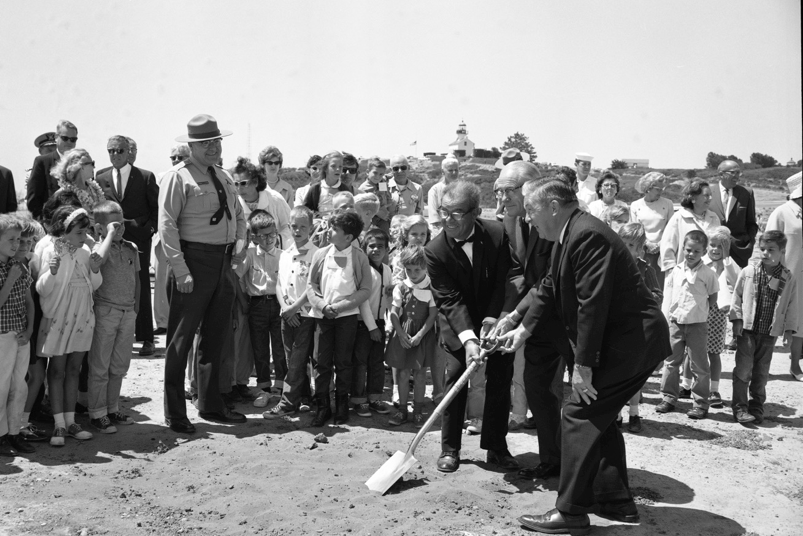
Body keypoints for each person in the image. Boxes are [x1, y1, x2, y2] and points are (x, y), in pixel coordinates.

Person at [497, 179, 670, 533]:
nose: (528, 218)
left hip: (632, 344)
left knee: (578, 413)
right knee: (597, 416)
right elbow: (548, 286)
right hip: (625, 343)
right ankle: (616, 501)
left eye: (531, 210)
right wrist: (520, 326)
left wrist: (583, 367)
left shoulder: (586, 234)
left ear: (554, 207)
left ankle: (571, 511)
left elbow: (593, 304)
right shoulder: (568, 233)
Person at [159, 114, 247, 433]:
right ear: (191, 146)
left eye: (217, 141)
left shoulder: (223, 176)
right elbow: (167, 226)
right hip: (193, 262)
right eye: (206, 143)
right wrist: (180, 270)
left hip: (222, 262)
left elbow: (238, 215)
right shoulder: (177, 177)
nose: (213, 147)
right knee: (180, 341)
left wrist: (237, 257)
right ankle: (175, 413)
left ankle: (210, 404)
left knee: (215, 338)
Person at [424, 181, 516, 473]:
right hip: (457, 325)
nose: (448, 220)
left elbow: (506, 280)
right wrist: (468, 340)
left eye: (456, 213)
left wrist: (495, 319)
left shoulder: (498, 233)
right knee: (455, 379)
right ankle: (450, 449)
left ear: (475, 212)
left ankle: (496, 446)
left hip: (497, 321)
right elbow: (449, 300)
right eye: (444, 212)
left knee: (501, 381)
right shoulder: (435, 250)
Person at [492, 162, 559, 441]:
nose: (502, 198)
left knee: (549, 389)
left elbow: (546, 280)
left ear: (530, 189)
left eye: (509, 191)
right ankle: (549, 459)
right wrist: (507, 313)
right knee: (534, 385)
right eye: (498, 191)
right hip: (534, 309)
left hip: (558, 316)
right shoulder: (517, 220)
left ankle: (559, 459)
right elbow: (519, 271)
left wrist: (514, 316)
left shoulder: (551, 224)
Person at [36, 206, 103, 446]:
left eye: (85, 233)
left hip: (82, 316)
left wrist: (95, 270)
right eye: (79, 233)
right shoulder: (51, 251)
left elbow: (93, 284)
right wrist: (52, 272)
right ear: (64, 231)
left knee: (75, 368)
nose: (84, 238)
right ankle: (59, 425)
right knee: (56, 370)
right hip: (61, 316)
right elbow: (43, 289)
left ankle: (71, 421)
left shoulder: (85, 252)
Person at [95, 135, 159, 357]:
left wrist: (147, 231)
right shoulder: (100, 177)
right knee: (109, 283)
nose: (115, 155)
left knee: (140, 285)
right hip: (110, 241)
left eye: (119, 151)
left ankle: (146, 339)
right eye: (111, 151)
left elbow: (155, 209)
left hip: (138, 240)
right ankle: (113, 336)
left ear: (128, 152)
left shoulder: (145, 177)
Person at [306, 210, 370, 426]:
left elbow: (365, 289)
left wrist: (341, 306)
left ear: (349, 237)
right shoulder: (320, 254)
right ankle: (322, 406)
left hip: (347, 318)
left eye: (334, 229)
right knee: (321, 362)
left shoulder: (359, 257)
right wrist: (323, 306)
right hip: (323, 317)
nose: (329, 231)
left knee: (343, 362)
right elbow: (311, 285)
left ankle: (342, 406)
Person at [730, 230, 798, 424]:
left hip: (770, 333)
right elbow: (737, 297)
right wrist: (736, 320)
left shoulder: (787, 277)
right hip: (747, 331)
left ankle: (756, 406)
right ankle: (740, 408)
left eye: (771, 249)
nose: (765, 253)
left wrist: (789, 330)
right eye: (762, 249)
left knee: (761, 372)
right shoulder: (749, 271)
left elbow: (793, 305)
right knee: (743, 370)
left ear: (782, 251)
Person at [86, 201, 139, 433]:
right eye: (114, 225)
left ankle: (112, 407)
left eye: (121, 223)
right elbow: (97, 261)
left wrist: (135, 308)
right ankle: (97, 413)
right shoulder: (97, 248)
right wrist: (107, 235)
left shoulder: (131, 248)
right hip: (106, 312)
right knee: (100, 365)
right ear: (99, 229)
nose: (120, 229)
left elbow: (137, 280)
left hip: (128, 312)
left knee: (119, 365)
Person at [657, 230, 719, 419]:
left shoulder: (708, 273)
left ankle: (700, 403)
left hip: (697, 325)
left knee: (699, 365)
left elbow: (713, 297)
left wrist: (700, 311)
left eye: (697, 251)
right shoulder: (676, 270)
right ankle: (668, 397)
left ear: (704, 252)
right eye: (688, 250)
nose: (691, 254)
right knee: (671, 362)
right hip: (676, 323)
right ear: (683, 248)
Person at [264, 206, 318, 417]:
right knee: (291, 360)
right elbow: (280, 284)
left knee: (297, 360)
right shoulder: (285, 254)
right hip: (287, 315)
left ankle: (287, 403)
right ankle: (303, 396)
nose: (297, 231)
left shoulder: (316, 254)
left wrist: (295, 309)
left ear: (311, 228)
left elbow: (313, 286)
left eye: (303, 227)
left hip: (306, 315)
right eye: (294, 226)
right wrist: (286, 308)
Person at [682, 226, 739, 409]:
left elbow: (736, 280)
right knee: (691, 351)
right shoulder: (701, 262)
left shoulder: (730, 265)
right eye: (712, 245)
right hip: (698, 311)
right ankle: (686, 384)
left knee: (714, 352)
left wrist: (727, 259)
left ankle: (714, 389)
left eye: (720, 246)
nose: (715, 250)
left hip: (717, 315)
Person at [235, 210, 286, 408]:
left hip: (279, 305)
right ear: (254, 236)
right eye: (263, 236)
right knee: (260, 348)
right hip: (257, 305)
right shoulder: (249, 255)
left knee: (280, 347)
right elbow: (236, 278)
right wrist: (243, 302)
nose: (269, 239)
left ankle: (281, 387)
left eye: (272, 234)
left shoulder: (283, 256)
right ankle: (264, 389)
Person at [385, 245, 438, 427]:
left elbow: (432, 315)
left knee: (421, 373)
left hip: (422, 334)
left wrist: (420, 336)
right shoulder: (401, 287)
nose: (413, 274)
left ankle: (418, 411)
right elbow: (394, 311)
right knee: (402, 373)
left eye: (418, 269)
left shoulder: (431, 287)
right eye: (409, 270)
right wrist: (400, 333)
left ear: (425, 267)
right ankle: (401, 410)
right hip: (404, 333)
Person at [616, 223, 662, 433]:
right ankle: (616, 414)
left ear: (640, 249)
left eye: (632, 245)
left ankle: (634, 413)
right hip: (617, 326)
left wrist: (645, 296)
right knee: (615, 373)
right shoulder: (612, 266)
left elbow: (657, 295)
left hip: (638, 327)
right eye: (623, 243)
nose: (627, 248)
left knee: (634, 375)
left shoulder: (646, 269)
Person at [0, 216, 35, 455]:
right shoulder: (10, 270)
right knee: (1, 387)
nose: (16, 244)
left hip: (21, 334)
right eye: (11, 239)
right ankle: (1, 435)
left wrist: (30, 329)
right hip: (3, 335)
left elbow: (28, 301)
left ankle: (14, 433)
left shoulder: (20, 266)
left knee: (19, 386)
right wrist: (10, 279)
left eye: (19, 240)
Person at [350, 227, 392, 417]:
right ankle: (358, 400)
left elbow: (388, 298)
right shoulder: (363, 269)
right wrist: (371, 327)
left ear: (387, 250)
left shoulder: (387, 270)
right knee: (360, 363)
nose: (376, 250)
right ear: (365, 248)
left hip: (380, 322)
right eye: (372, 246)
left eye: (380, 247)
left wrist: (387, 322)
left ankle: (374, 397)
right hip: (362, 324)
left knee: (377, 361)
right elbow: (363, 301)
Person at [765, 172, 802, 381]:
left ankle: (795, 366)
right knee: (773, 321)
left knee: (800, 321)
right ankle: (763, 366)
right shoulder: (781, 213)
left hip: (802, 279)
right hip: (783, 277)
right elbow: (769, 246)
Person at [153, 144, 190, 336]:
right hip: (163, 236)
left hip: (187, 237)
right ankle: (162, 322)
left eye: (180, 157)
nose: (176, 161)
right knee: (161, 281)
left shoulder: (194, 178)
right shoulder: (162, 177)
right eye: (173, 157)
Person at [231, 156, 292, 248]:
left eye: (243, 183)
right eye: (236, 184)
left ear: (255, 182)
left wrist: (276, 240)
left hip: (276, 253)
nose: (239, 188)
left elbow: (289, 226)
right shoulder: (234, 205)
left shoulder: (275, 199)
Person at [660, 179, 720, 273]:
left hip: (709, 274)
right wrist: (671, 270)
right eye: (706, 195)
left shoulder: (714, 217)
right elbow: (667, 246)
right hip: (682, 274)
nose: (710, 198)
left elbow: (718, 245)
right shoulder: (679, 217)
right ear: (693, 198)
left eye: (711, 195)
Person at [709, 160, 758, 268]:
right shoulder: (708, 192)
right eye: (733, 172)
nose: (737, 176)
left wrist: (749, 243)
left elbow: (751, 223)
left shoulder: (746, 193)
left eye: (738, 173)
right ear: (721, 174)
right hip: (713, 251)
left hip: (739, 252)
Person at [629, 171, 674, 288]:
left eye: (662, 189)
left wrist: (659, 244)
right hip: (642, 250)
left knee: (659, 285)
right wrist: (647, 243)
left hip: (662, 251)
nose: (661, 192)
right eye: (658, 189)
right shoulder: (635, 205)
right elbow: (635, 228)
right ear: (648, 188)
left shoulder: (668, 204)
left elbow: (671, 228)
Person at [27, 120, 78, 220]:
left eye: (73, 139)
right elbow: (33, 199)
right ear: (56, 137)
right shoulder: (42, 162)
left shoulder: (81, 162)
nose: (69, 142)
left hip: (78, 224)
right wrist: (44, 222)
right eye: (65, 138)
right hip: (53, 223)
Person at [51, 148, 106, 224]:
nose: (94, 167)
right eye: (92, 164)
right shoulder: (64, 193)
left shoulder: (94, 188)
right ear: (81, 166)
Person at [303, 151, 351, 218]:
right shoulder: (315, 189)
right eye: (333, 166)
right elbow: (305, 211)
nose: (338, 169)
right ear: (325, 169)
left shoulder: (345, 190)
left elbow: (350, 212)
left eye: (340, 166)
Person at [356, 157, 393, 234]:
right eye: (375, 173)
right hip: (371, 220)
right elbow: (360, 206)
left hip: (384, 219)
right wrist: (378, 212)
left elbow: (386, 196)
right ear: (367, 172)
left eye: (381, 174)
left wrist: (388, 204)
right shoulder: (363, 188)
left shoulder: (382, 183)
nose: (378, 176)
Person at [428, 156, 460, 228]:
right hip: (442, 230)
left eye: (456, 170)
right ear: (443, 172)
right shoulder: (434, 190)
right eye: (450, 170)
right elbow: (434, 219)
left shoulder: (464, 189)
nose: (454, 172)